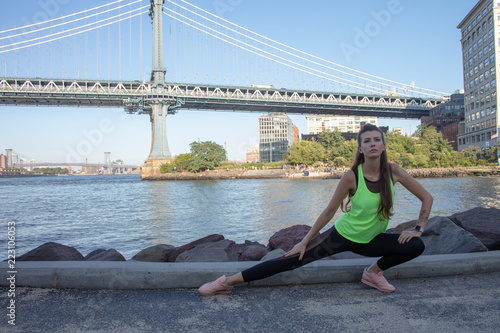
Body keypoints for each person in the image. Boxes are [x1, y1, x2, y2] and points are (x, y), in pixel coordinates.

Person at [198, 124, 433, 295]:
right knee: (291, 260)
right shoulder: (351, 177)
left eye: (376, 140)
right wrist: (305, 241)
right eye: (367, 141)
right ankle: (226, 282)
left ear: (383, 146)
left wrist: (418, 229)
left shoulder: (395, 171)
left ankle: (373, 273)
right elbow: (329, 211)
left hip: (373, 240)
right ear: (360, 148)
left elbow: (427, 198)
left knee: (415, 245)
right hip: (341, 237)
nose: (372, 144)